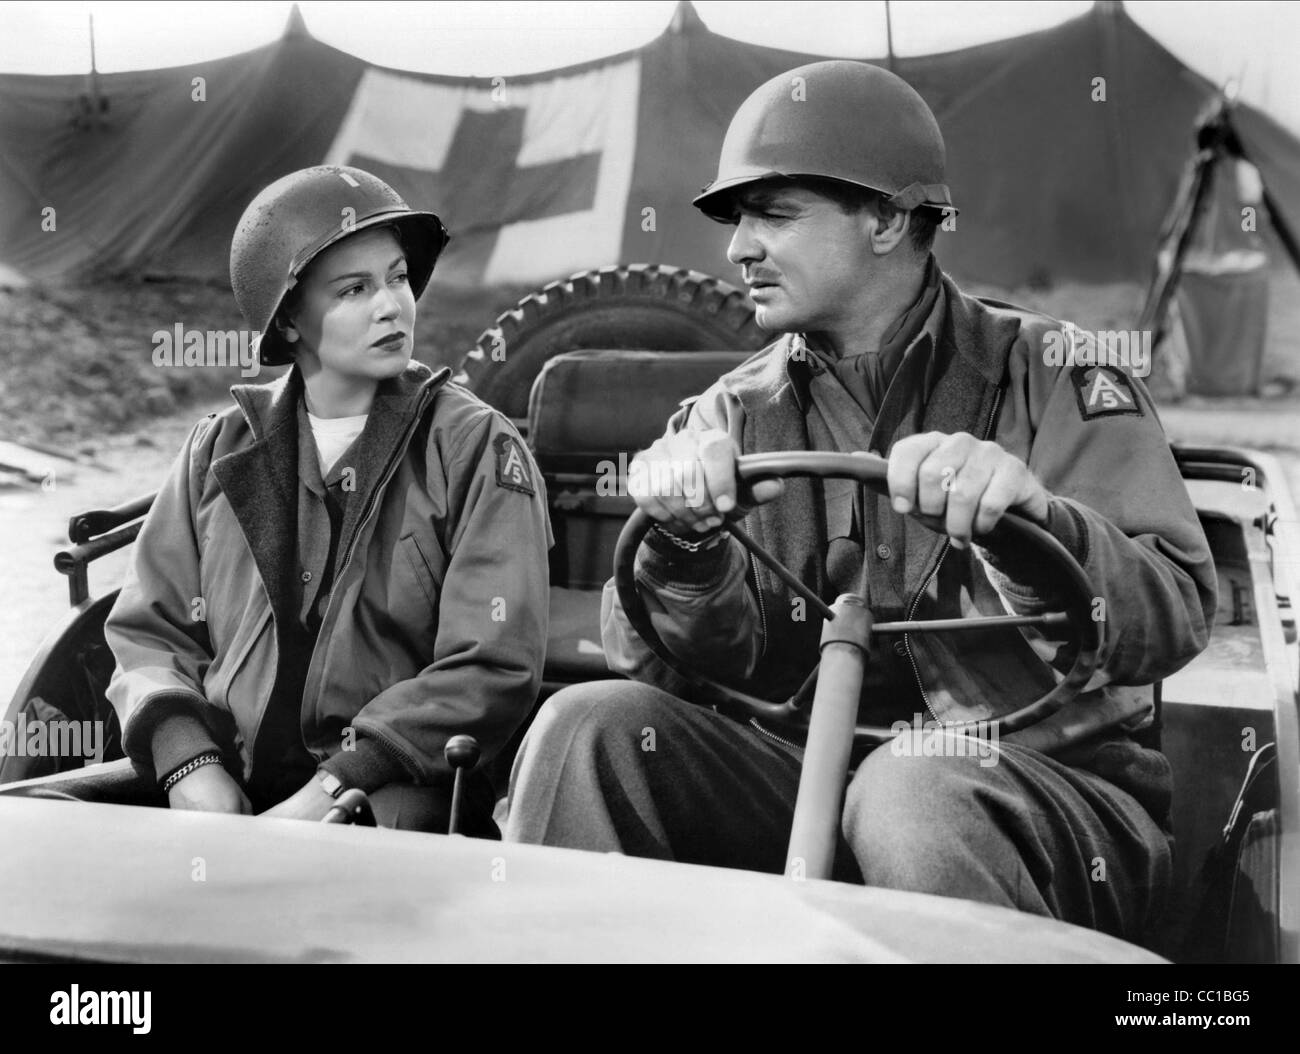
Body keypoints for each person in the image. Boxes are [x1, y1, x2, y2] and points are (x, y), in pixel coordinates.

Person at [505, 61, 1216, 941]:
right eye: (737, 219)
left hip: (1042, 799)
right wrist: (683, 554)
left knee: (915, 783)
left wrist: (1031, 526)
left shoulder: (1056, 372)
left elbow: (1175, 613)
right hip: (800, 782)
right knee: (587, 727)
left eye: (774, 213)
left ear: (886, 219)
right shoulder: (729, 413)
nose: (738, 249)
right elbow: (660, 670)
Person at [104, 165, 551, 834]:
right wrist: (188, 768)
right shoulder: (217, 450)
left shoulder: (474, 447)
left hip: (392, 786)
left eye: (398, 277)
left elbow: (491, 664)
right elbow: (148, 629)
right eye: (353, 289)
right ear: (289, 322)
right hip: (224, 785)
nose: (390, 305)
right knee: (46, 824)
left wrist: (334, 786)